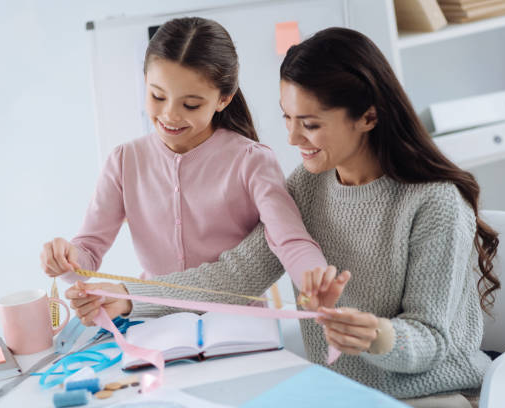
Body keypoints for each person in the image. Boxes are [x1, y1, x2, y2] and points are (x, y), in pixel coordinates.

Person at [66, 27, 500, 406]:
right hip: (338, 392)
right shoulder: (308, 186)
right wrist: (130, 296)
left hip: (433, 396)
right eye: (287, 118)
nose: (291, 138)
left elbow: (433, 340)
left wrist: (379, 336)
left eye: (309, 124)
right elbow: (236, 275)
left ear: (368, 116)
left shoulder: (434, 203)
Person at [41, 17, 337, 307]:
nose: (170, 115)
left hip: (238, 325)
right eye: (158, 96)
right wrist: (65, 258)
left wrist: (316, 279)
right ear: (145, 82)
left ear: (223, 99)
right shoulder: (124, 161)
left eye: (190, 104)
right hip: (153, 321)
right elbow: (87, 254)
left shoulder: (252, 161)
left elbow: (289, 239)